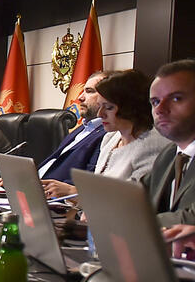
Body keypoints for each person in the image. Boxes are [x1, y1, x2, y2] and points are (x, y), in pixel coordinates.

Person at [43, 70, 168, 199]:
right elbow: (98, 189)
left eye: (108, 107)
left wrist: (73, 193)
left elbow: (134, 201)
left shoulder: (153, 144)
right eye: (100, 106)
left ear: (130, 107)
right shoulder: (111, 137)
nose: (100, 114)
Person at [143, 60, 195, 226]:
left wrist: (131, 221)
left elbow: (191, 219)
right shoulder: (169, 153)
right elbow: (135, 196)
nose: (160, 109)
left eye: (176, 98)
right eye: (155, 102)